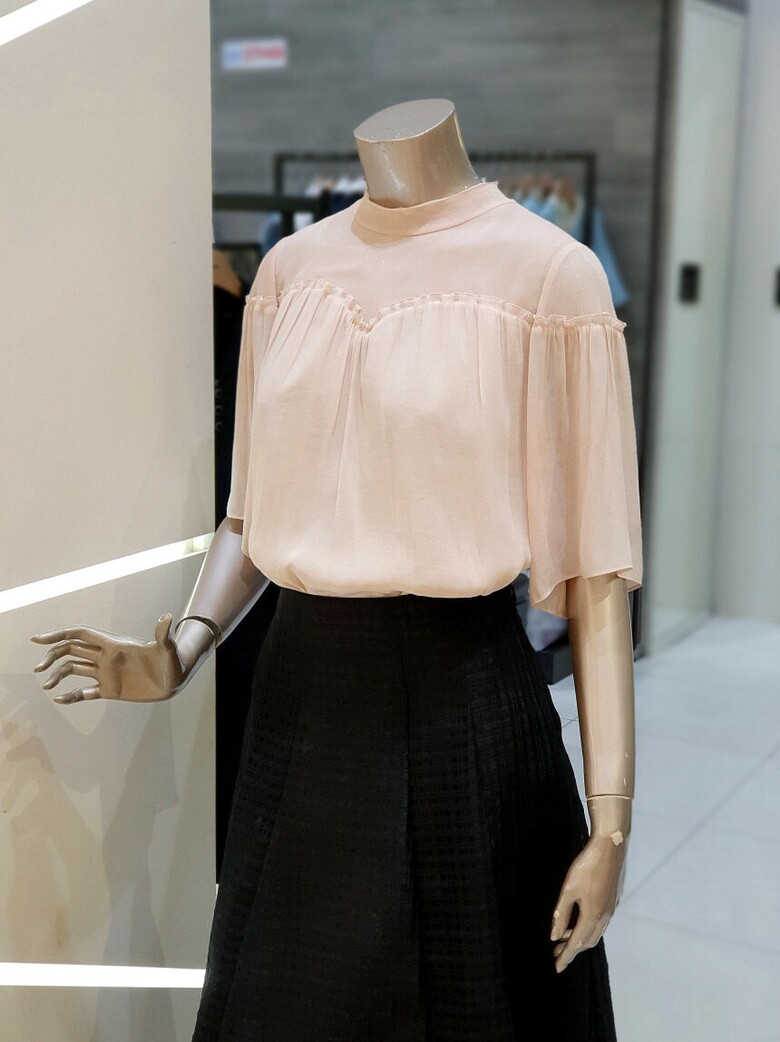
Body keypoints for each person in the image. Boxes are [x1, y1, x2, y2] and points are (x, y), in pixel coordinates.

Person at [31, 98, 642, 1041]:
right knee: (285, 1000)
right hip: (299, 700)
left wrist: (611, 823)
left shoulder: (550, 273)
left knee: (466, 1003)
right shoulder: (291, 269)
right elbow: (251, 511)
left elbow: (599, 571)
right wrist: (182, 648)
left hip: (462, 701)